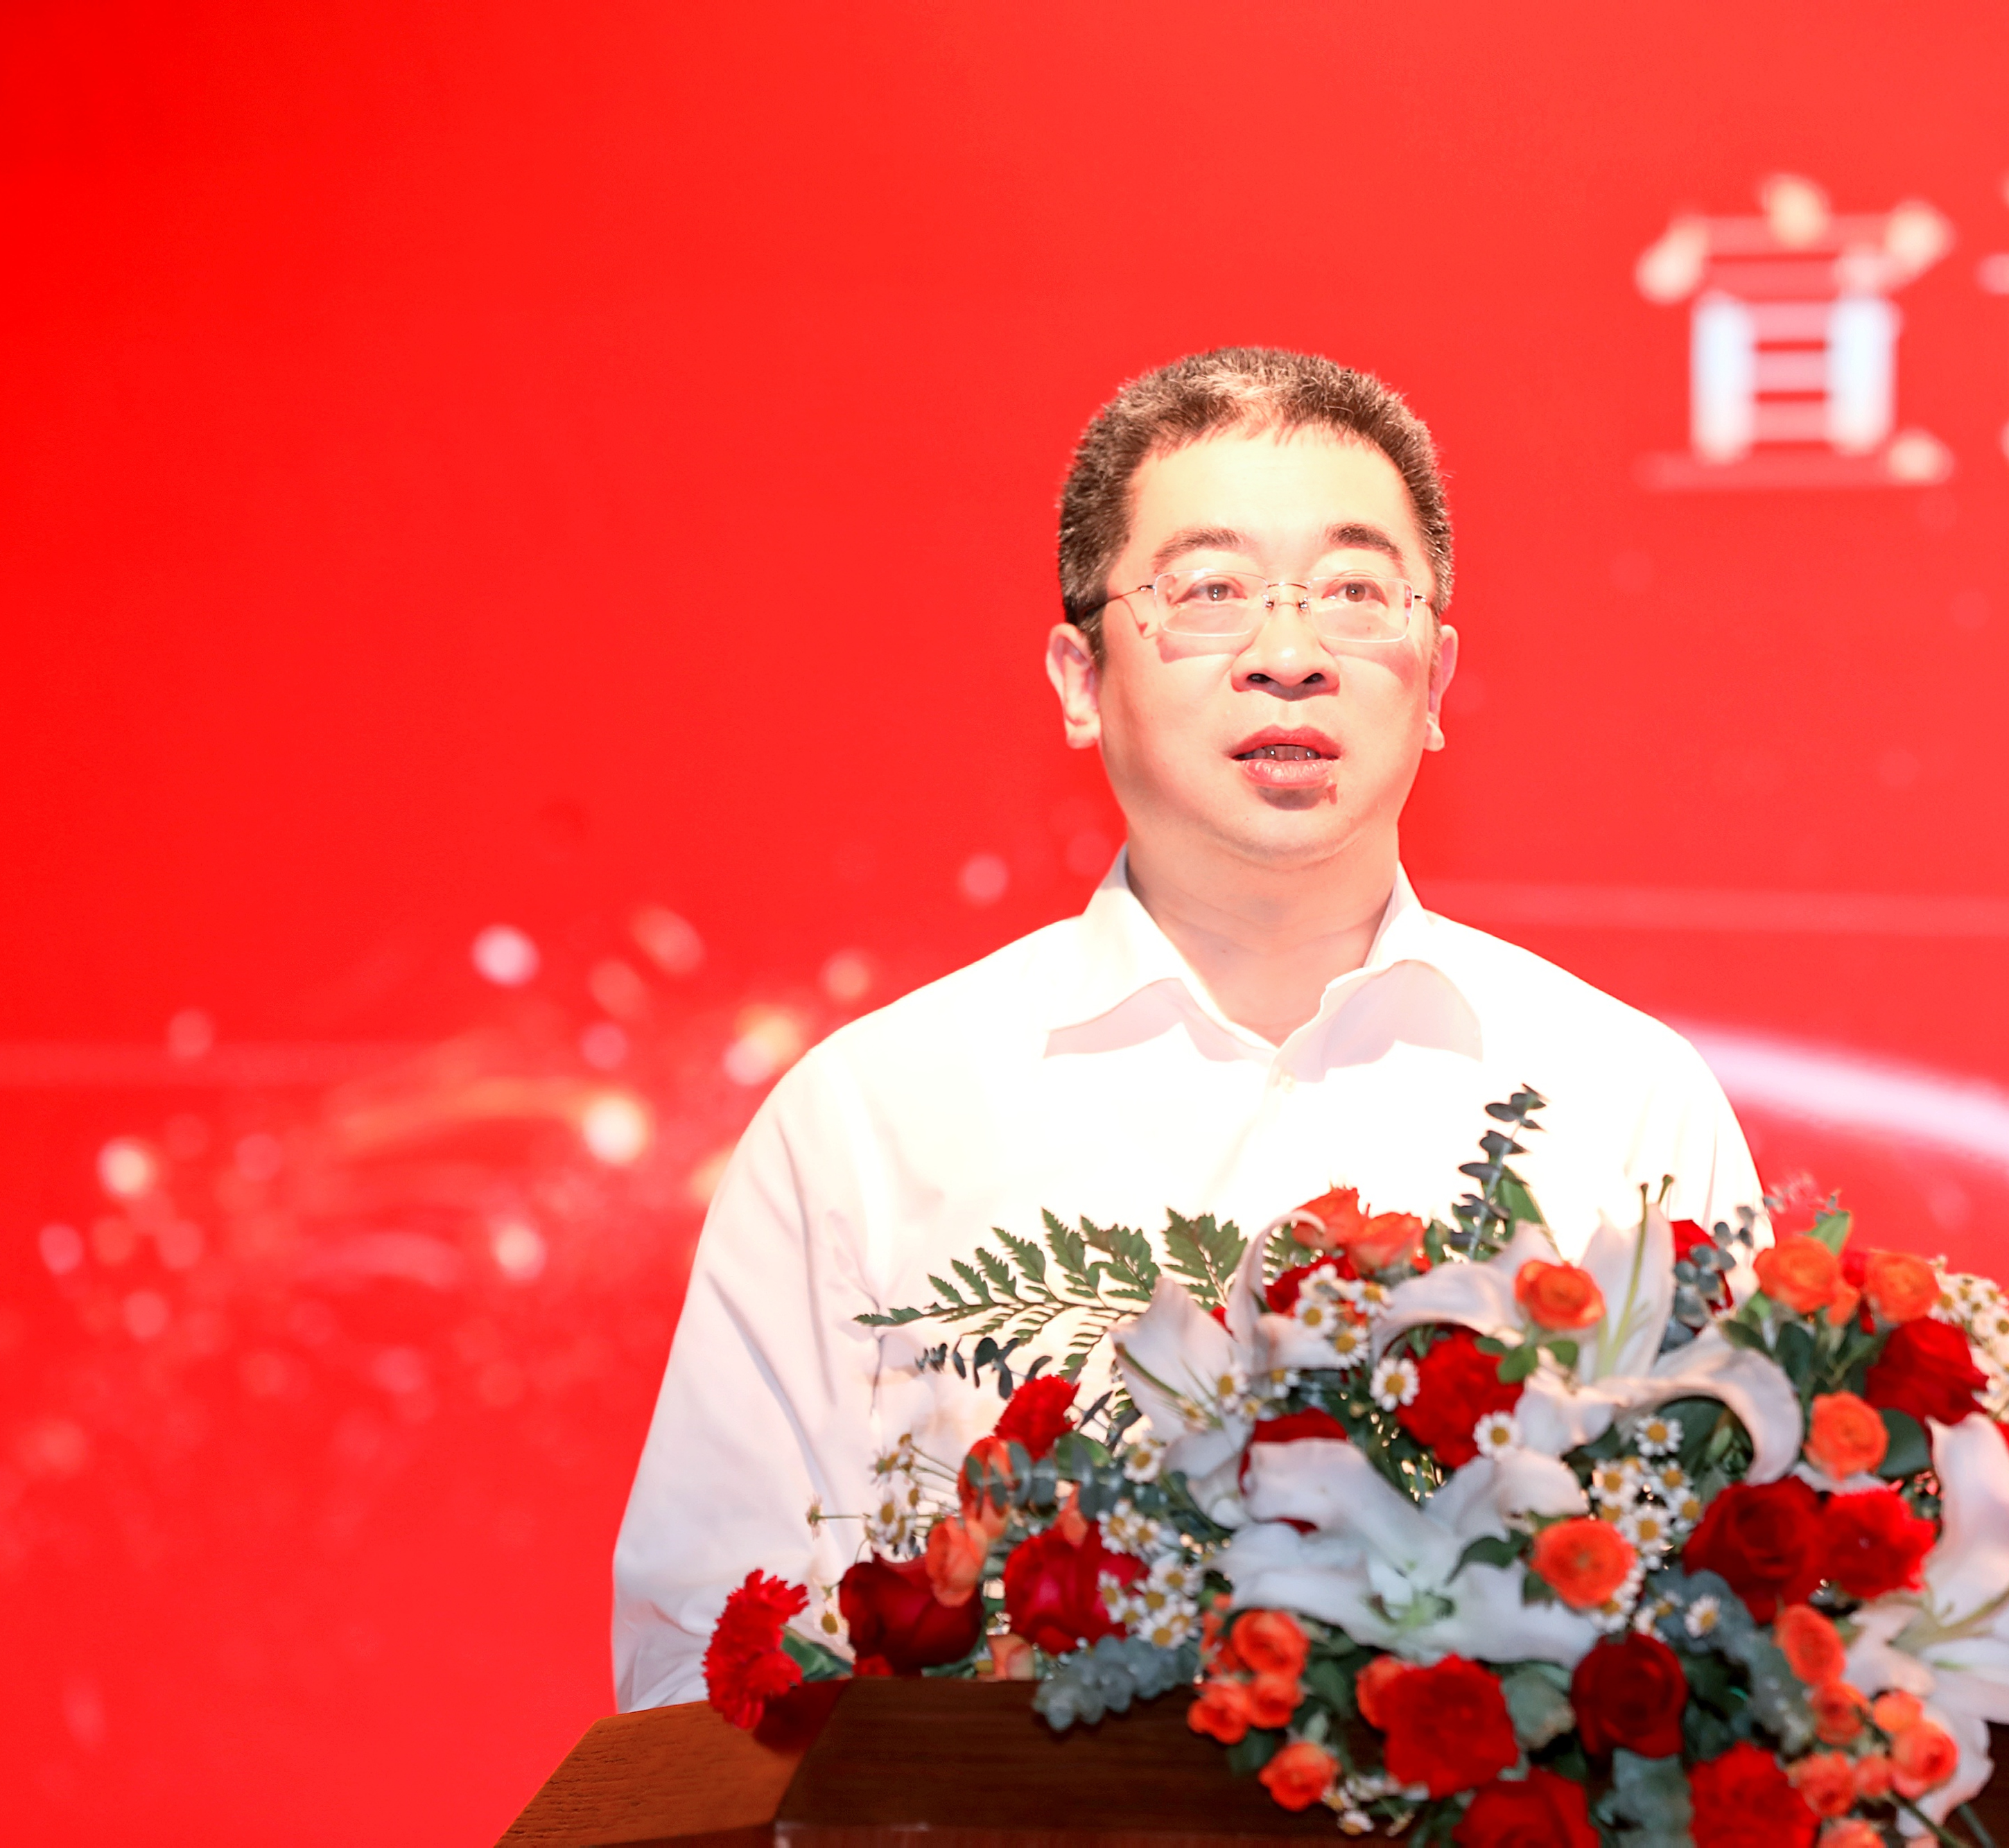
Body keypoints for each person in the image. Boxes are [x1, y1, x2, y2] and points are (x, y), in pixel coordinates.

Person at [611, 347, 1761, 1709]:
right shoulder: (869, 1119)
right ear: (1078, 675)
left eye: (1354, 592)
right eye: (1211, 592)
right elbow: (701, 1660)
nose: (1290, 655)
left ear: (1437, 676)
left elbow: (1745, 1630)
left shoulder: (1623, 1100)